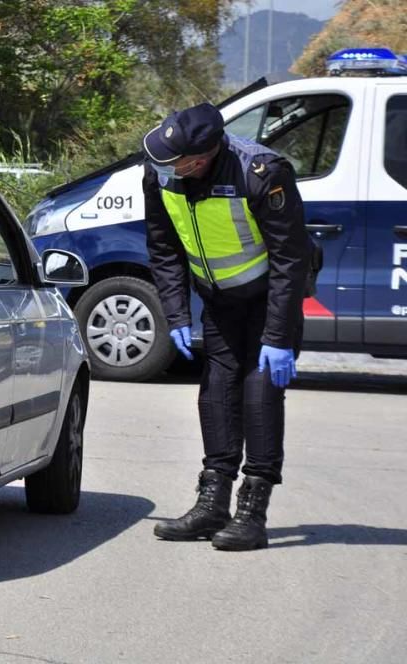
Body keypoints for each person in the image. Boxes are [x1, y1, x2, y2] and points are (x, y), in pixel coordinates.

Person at [143, 102, 312, 551]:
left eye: (180, 163)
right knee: (216, 391)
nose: (169, 170)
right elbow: (163, 247)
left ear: (206, 154)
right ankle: (212, 504)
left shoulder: (262, 172)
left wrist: (278, 337)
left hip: (269, 301)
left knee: (259, 395)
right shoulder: (160, 173)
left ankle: (252, 514)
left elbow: (290, 259)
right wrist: (176, 313)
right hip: (219, 302)